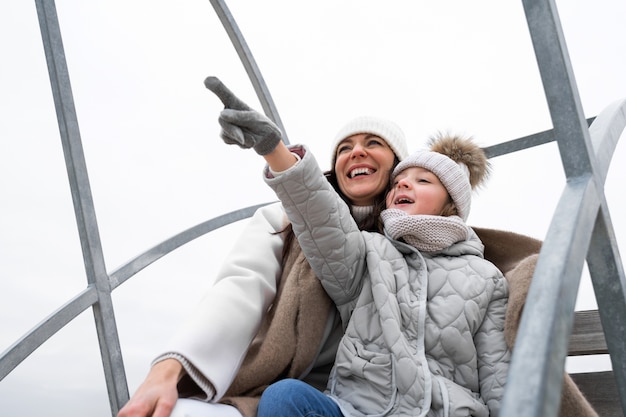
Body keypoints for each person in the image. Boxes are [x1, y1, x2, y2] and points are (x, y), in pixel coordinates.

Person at [203, 77, 511, 416]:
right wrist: (276, 151)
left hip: (444, 411)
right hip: (361, 410)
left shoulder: (486, 278)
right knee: (285, 398)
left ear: (450, 203)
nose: (405, 183)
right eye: (399, 182)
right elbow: (323, 223)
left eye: (423, 181)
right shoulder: (371, 253)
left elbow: (498, 374)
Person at [117, 83, 409, 416]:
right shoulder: (282, 221)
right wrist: (167, 370)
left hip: (371, 402)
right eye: (344, 148)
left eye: (373, 143)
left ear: (399, 166)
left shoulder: (415, 245)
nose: (356, 152)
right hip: (272, 392)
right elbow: (240, 287)